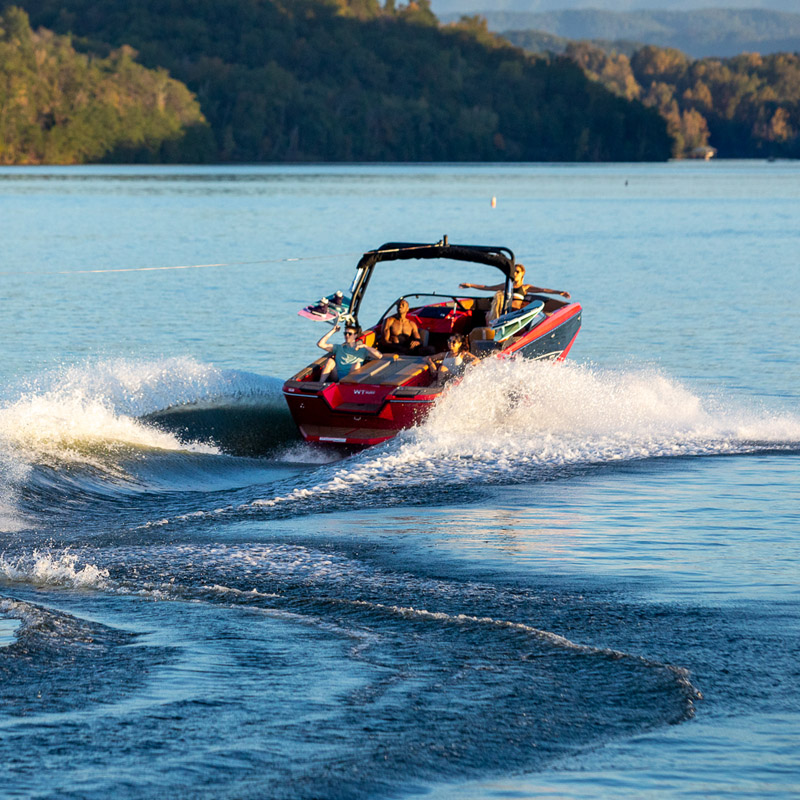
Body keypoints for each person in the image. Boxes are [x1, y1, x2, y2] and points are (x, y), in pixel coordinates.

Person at [460, 263, 571, 312]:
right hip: (504, 311)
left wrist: (560, 292)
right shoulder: (506, 285)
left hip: (516, 312)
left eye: (517, 272)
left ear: (522, 273)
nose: (515, 273)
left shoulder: (525, 287)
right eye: (513, 271)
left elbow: (543, 290)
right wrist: (470, 285)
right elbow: (488, 287)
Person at [317, 322, 382, 382]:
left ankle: (348, 384)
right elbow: (320, 344)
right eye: (345, 333)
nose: (347, 336)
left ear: (355, 335)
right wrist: (333, 331)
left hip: (351, 378)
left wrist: (365, 346)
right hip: (337, 376)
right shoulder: (339, 348)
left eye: (350, 334)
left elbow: (379, 356)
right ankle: (320, 384)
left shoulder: (362, 350)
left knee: (357, 364)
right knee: (330, 361)